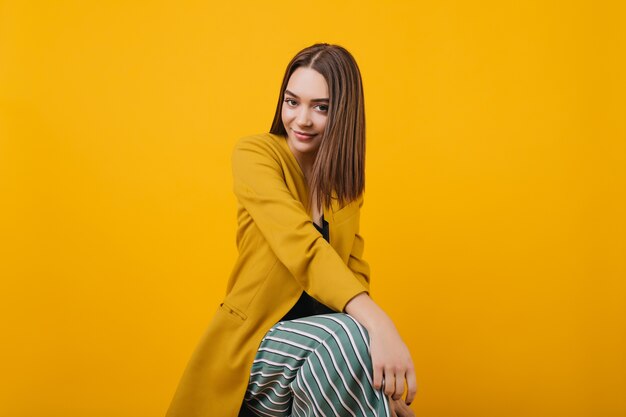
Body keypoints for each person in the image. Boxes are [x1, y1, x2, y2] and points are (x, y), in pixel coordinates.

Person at [165, 43, 416, 417]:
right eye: (292, 101)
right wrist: (381, 324)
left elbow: (353, 274)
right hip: (256, 348)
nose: (301, 119)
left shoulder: (343, 187)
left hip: (323, 363)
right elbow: (300, 244)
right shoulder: (256, 155)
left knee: (349, 339)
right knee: (347, 334)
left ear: (344, 113)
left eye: (321, 107)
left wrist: (383, 387)